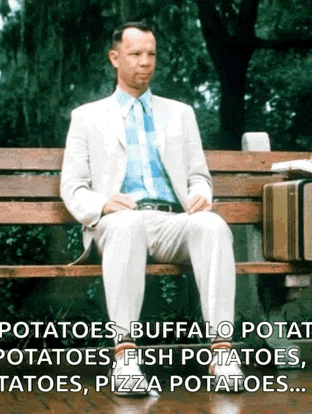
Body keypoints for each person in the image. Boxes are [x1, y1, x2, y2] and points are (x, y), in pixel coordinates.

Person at [60, 22, 244, 396]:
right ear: (115, 58)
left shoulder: (180, 114)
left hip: (170, 220)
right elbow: (73, 186)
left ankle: (222, 353)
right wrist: (103, 203)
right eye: (135, 54)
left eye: (151, 54)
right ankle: (125, 357)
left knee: (212, 226)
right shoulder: (87, 116)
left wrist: (201, 195)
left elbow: (198, 176)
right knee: (127, 224)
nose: (145, 63)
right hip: (117, 222)